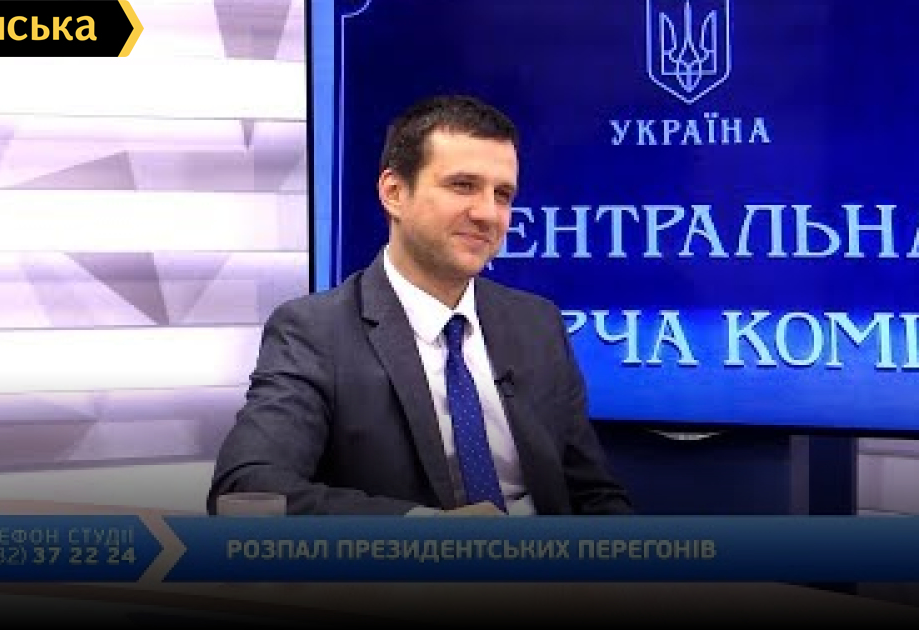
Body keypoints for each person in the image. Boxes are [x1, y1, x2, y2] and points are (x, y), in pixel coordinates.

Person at [207, 94, 633, 516]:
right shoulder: (314, 332)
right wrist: (425, 533)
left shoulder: (538, 323)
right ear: (394, 192)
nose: (489, 214)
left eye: (503, 194)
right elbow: (247, 487)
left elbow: (595, 496)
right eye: (463, 186)